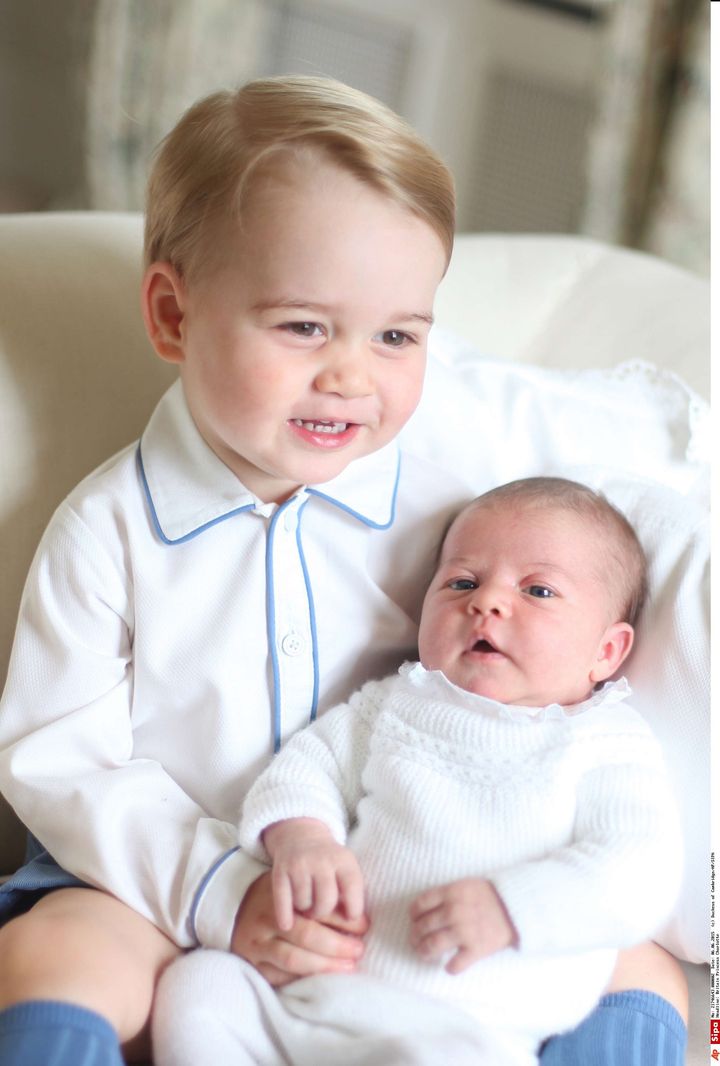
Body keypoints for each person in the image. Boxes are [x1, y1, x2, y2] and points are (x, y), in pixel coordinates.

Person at [0, 76, 685, 1066]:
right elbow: (63, 765)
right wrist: (222, 891)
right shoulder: (109, 530)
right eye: (304, 327)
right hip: (158, 883)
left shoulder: (457, 474)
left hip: (417, 875)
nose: (353, 375)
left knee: (640, 963)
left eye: (397, 335)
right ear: (172, 315)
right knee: (50, 956)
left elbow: (634, 441)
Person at [152, 478, 684, 1066]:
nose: (487, 602)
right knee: (200, 986)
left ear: (606, 652)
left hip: (465, 1032)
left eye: (538, 590)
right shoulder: (395, 704)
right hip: (308, 1004)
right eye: (462, 582)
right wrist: (302, 836)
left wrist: (513, 908)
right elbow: (307, 766)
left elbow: (641, 871)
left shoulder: (603, 741)